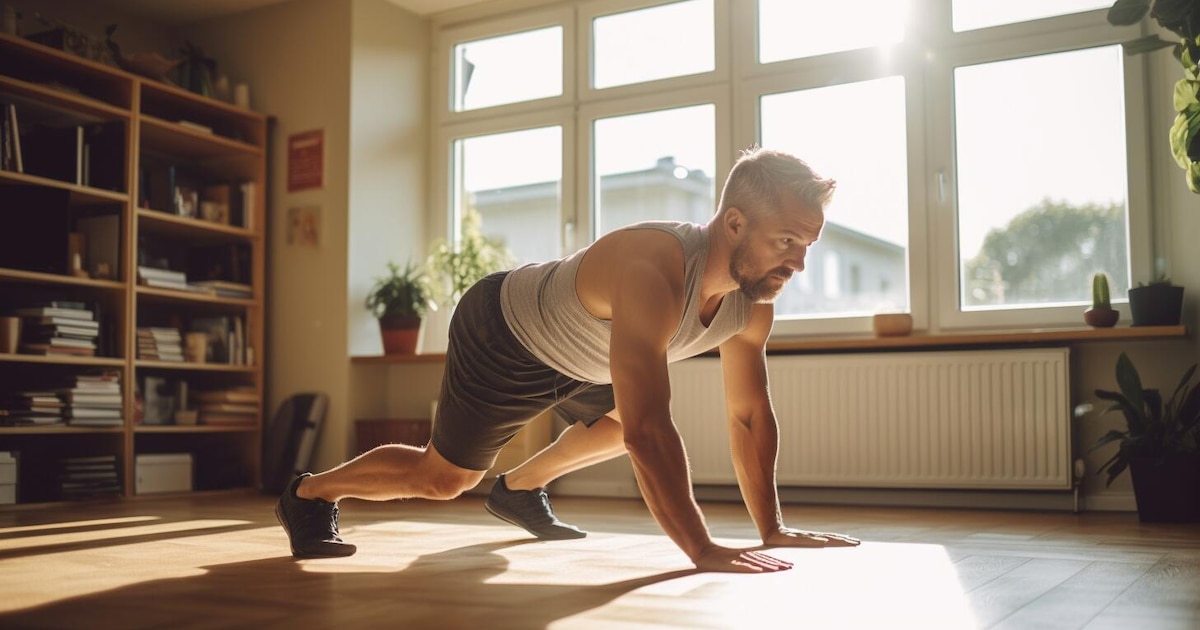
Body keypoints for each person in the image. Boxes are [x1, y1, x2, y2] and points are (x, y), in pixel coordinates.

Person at [275, 147, 861, 573]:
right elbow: (652, 431)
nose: (798, 265)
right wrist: (701, 549)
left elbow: (749, 416)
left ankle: (520, 488)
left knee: (616, 425)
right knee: (444, 480)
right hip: (506, 334)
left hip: (587, 359)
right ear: (734, 222)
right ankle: (310, 493)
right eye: (787, 242)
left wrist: (772, 530)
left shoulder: (751, 303)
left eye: (807, 246)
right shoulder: (654, 269)